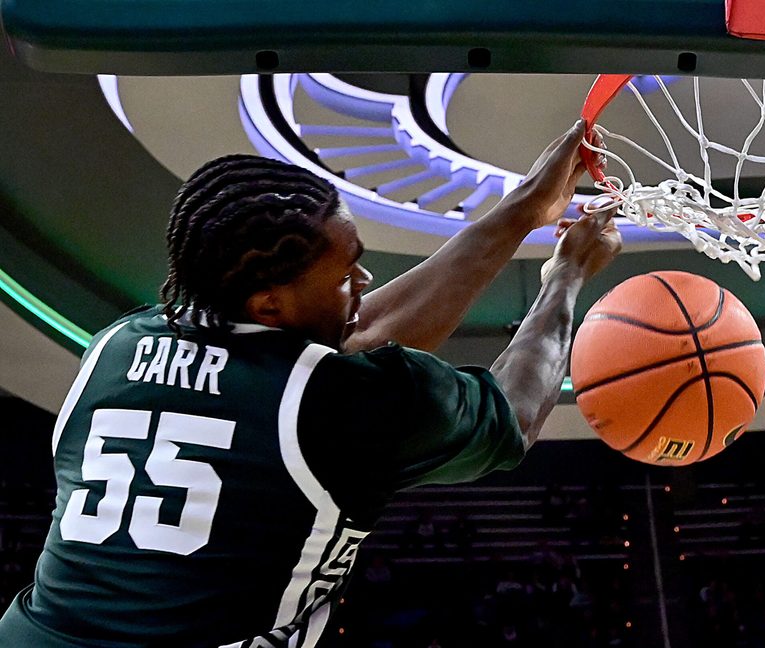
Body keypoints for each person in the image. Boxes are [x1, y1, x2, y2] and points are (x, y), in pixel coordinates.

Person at [0, 120, 621, 647]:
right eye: (345, 274)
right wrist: (566, 276)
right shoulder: (340, 403)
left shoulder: (120, 343)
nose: (364, 279)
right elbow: (512, 415)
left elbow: (350, 337)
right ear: (270, 305)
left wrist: (521, 211)